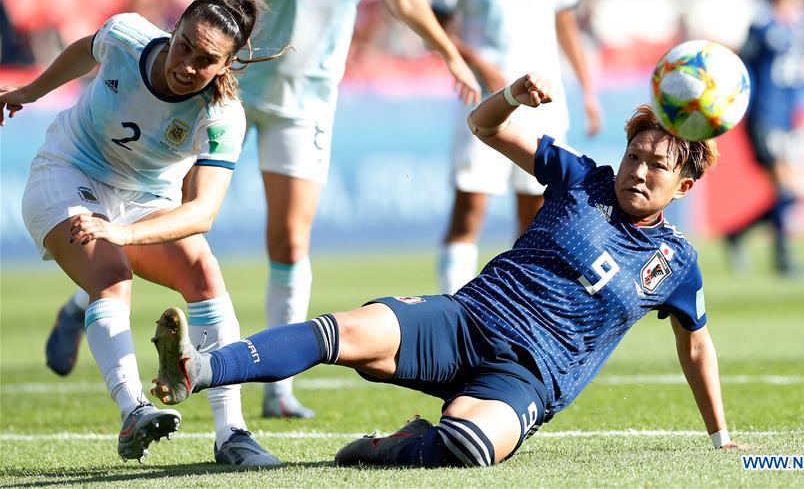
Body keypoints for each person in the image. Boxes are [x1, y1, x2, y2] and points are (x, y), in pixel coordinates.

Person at [150, 74, 743, 468]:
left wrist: (719, 435)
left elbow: (696, 348)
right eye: (635, 155)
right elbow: (484, 126)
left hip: (528, 378)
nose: (638, 170)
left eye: (656, 167)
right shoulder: (579, 177)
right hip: (467, 319)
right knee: (343, 332)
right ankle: (197, 368)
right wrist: (511, 94)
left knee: (467, 445)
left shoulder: (676, 263)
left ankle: (399, 446)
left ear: (683, 186)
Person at [151, 0, 480, 420]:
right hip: (230, 91)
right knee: (158, 211)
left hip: (307, 103)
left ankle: (277, 386)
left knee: (291, 238)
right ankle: (87, 299)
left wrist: (449, 54)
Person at [2, 0, 281, 466]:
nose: (187, 65)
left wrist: (124, 233)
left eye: (206, 60)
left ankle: (232, 434)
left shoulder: (223, 116)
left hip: (145, 201)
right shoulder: (126, 35)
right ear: (174, 30)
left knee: (203, 271)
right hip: (68, 173)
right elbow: (85, 50)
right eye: (185, 46)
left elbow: (202, 213)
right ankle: (134, 409)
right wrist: (31, 91)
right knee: (113, 276)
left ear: (228, 64)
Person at [433, 0, 601, 294]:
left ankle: (515, 310)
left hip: (544, 103)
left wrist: (588, 91)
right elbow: (438, 30)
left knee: (538, 212)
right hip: (488, 101)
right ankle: (453, 307)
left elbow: (566, 25)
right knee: (469, 208)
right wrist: (478, 63)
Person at [724, 0, 804, 276]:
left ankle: (736, 235)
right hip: (765, 115)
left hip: (790, 119)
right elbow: (741, 64)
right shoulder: (763, 21)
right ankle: (783, 259)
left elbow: (802, 69)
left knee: (798, 192)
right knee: (786, 188)